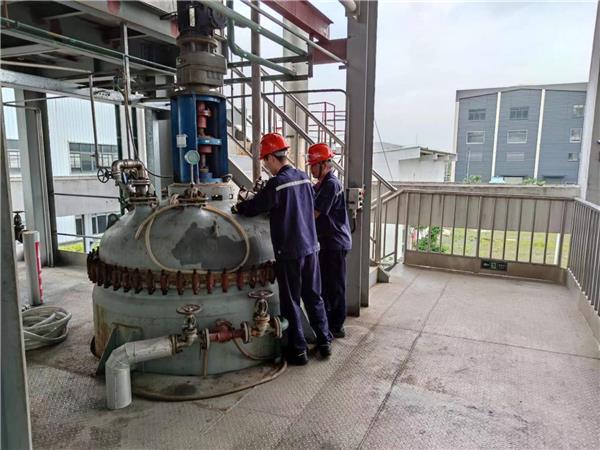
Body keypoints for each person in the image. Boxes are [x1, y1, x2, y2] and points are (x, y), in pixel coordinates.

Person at [233, 133, 332, 365]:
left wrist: (240, 207)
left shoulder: (277, 183)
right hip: (311, 247)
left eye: (265, 160)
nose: (265, 165)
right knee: (314, 296)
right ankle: (324, 342)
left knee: (291, 301)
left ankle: (298, 351)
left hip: (289, 252)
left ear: (271, 157)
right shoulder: (304, 178)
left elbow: (256, 206)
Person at [308, 143, 352, 338]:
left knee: (335, 286)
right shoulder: (321, 184)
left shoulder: (331, 184)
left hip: (335, 242)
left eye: (313, 165)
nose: (311, 169)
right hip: (327, 242)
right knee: (326, 285)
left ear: (323, 164)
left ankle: (337, 326)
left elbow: (314, 213)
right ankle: (328, 323)